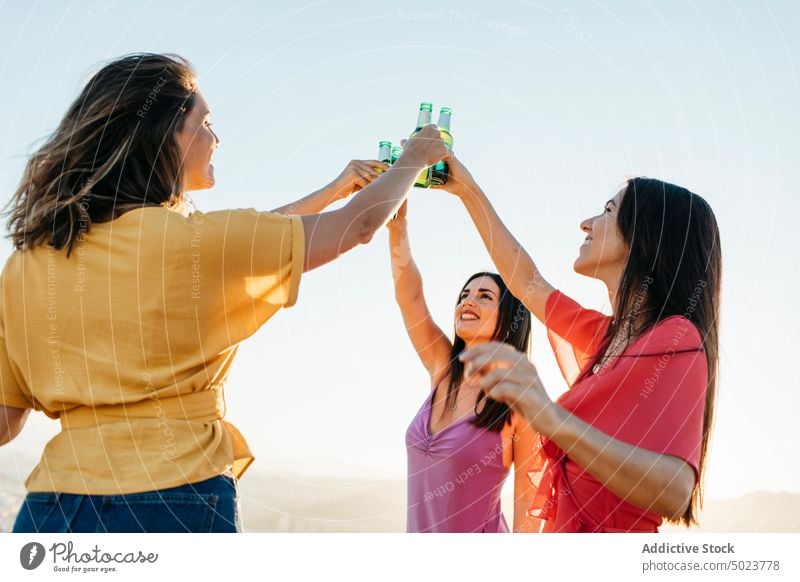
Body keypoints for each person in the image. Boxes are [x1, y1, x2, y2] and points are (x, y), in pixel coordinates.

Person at [0, 53, 446, 533]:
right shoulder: (193, 244)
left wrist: (336, 188)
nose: (217, 138)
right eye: (206, 122)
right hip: (172, 496)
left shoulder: (27, 264)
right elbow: (355, 227)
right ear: (164, 136)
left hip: (52, 509)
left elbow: (6, 420)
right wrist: (414, 158)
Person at [440, 155, 720, 532]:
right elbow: (525, 281)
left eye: (608, 211)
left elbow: (675, 491)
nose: (587, 223)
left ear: (646, 236)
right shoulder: (606, 337)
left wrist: (551, 417)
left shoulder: (675, 337)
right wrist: (466, 189)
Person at [388, 201, 540, 533]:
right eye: (464, 295)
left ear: (509, 319)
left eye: (485, 296)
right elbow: (410, 298)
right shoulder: (443, 369)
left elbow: (528, 505)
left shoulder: (520, 401)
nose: (467, 301)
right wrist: (397, 231)